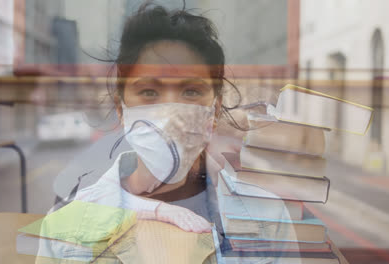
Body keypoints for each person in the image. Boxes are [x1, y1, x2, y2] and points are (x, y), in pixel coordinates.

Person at [35, 3, 300, 263]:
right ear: (121, 107)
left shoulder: (268, 217)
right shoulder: (66, 225)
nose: (170, 113)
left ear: (214, 110)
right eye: (149, 92)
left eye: (191, 91)